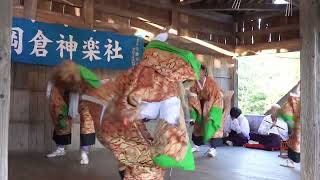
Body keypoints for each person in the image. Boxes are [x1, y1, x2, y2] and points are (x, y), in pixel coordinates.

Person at [45, 66, 97, 165]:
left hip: (84, 96)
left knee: (87, 120)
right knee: (61, 117)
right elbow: (52, 93)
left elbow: (98, 88)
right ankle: (61, 148)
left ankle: (84, 152)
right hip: (66, 95)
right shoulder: (60, 78)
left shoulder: (88, 78)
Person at [188, 65, 223, 157]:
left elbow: (216, 97)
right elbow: (193, 98)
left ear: (204, 72)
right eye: (196, 71)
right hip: (199, 106)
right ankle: (196, 145)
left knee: (210, 125)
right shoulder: (194, 84)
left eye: (200, 71)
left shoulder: (211, 83)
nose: (197, 73)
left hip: (212, 105)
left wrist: (211, 113)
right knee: (198, 127)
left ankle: (213, 149)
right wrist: (194, 115)